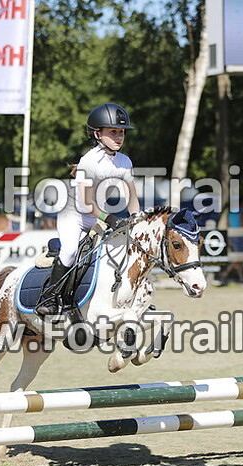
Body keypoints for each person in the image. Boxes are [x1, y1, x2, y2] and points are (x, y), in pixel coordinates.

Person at [36, 103, 141, 316]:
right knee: (71, 251)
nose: (119, 137)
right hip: (73, 214)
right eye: (113, 132)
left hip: (97, 215)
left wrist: (137, 220)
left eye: (121, 132)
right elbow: (85, 203)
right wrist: (109, 218)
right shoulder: (89, 161)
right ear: (97, 133)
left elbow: (131, 197)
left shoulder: (124, 161)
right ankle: (49, 297)